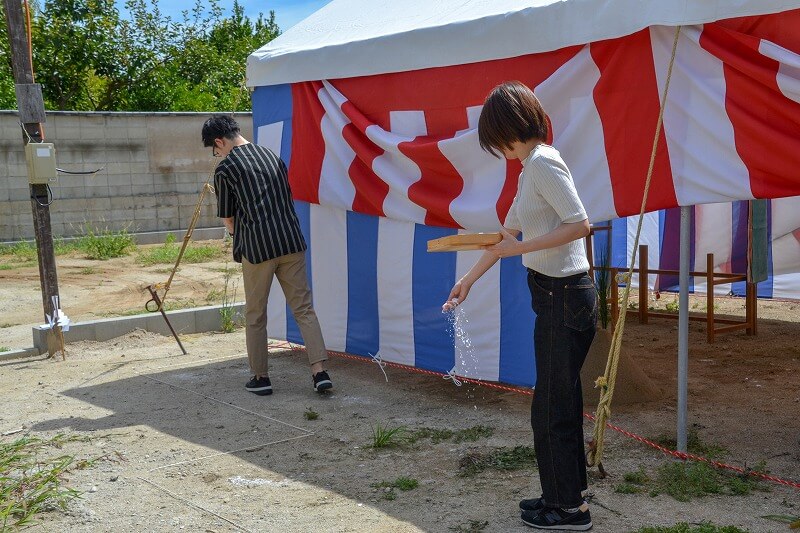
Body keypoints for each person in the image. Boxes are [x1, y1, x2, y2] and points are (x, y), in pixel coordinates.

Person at [443, 82, 596, 531]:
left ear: (508, 129)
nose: (497, 149)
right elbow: (504, 237)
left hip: (565, 294)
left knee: (551, 406)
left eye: (495, 138)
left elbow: (580, 225)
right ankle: (564, 496)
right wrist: (467, 281)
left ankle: (568, 509)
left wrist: (522, 247)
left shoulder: (544, 162)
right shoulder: (531, 167)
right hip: (553, 295)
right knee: (557, 401)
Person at [202, 114, 332, 395]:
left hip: (257, 249)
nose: (218, 154)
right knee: (304, 309)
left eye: (216, 149)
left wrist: (236, 235)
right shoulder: (271, 156)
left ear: (219, 141)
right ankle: (320, 372)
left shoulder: (226, 169)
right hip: (291, 242)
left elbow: (228, 218)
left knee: (255, 314)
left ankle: (261, 378)